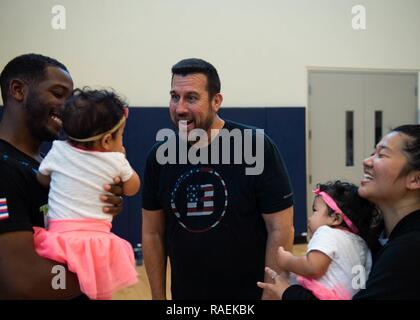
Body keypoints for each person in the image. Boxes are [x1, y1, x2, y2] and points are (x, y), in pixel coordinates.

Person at [142, 58, 294, 300]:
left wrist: (271, 295)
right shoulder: (159, 158)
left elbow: (280, 227)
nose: (180, 108)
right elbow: (152, 233)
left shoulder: (255, 147)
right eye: (174, 96)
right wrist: (158, 297)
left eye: (191, 98)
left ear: (216, 101)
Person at [0, 54, 125, 299]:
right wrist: (103, 269)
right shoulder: (3, 168)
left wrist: (101, 207)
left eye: (71, 98)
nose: (68, 107)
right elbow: (24, 280)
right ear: (18, 90)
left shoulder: (48, 165)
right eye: (58, 94)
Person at [259, 125, 420, 300]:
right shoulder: (378, 236)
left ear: (415, 179)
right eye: (373, 153)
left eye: (381, 155)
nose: (367, 161)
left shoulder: (409, 250)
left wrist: (288, 292)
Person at [34, 88, 141, 299]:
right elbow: (133, 187)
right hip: (97, 243)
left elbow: (41, 179)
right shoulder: (116, 160)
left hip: (60, 239)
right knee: (97, 291)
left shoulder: (58, 150)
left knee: (60, 289)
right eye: (121, 136)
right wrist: (122, 159)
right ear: (107, 140)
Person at [258, 180, 378, 299]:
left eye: (315, 211)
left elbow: (312, 267)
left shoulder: (327, 232)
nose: (310, 218)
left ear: (335, 218)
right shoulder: (362, 244)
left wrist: (287, 261)